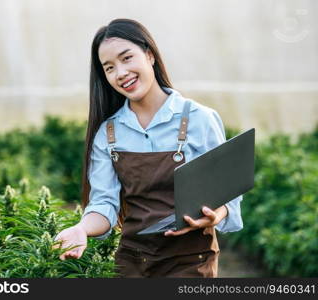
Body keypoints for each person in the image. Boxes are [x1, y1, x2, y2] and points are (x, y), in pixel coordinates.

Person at [53, 18, 243, 278]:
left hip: (191, 261)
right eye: (109, 68)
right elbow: (104, 203)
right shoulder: (108, 134)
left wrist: (216, 215)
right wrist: (81, 229)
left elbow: (227, 194)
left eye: (127, 58)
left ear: (150, 55)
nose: (120, 73)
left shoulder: (199, 118)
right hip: (132, 262)